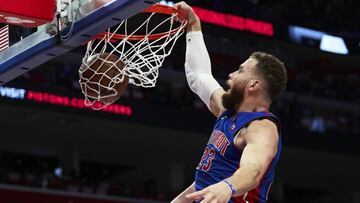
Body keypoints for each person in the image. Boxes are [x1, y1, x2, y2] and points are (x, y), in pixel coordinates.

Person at [171, 2, 287, 203]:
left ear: (253, 85)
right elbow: (199, 76)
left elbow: (253, 170)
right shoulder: (227, 111)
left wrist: (228, 186)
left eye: (240, 71)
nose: (231, 75)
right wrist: (193, 25)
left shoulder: (262, 128)